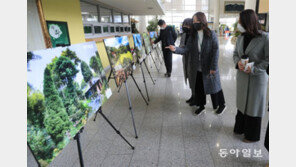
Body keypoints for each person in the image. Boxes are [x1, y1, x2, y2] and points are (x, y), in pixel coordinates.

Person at [167, 12, 226, 115]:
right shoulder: (193, 36)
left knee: (214, 87)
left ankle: (221, 105)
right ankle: (201, 106)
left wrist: (214, 67)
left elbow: (216, 50)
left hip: (209, 66)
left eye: (196, 21)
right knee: (199, 88)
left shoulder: (211, 34)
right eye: (193, 21)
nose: (194, 23)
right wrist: (175, 49)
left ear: (202, 21)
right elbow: (186, 49)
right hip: (197, 67)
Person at [233, 9, 269, 143]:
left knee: (254, 106)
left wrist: (253, 69)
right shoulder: (241, 37)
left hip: (257, 78)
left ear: (248, 22)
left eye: (240, 21)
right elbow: (235, 54)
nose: (239, 23)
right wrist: (238, 63)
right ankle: (240, 127)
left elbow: (268, 59)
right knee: (242, 103)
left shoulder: (265, 38)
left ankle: (252, 135)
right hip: (242, 76)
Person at [179, 18, 195, 104]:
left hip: (192, 59)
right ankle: (192, 96)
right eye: (184, 24)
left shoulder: (194, 35)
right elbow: (181, 45)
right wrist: (179, 48)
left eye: (187, 24)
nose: (185, 26)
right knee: (189, 77)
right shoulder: (184, 34)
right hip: (185, 58)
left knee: (194, 79)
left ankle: (195, 97)